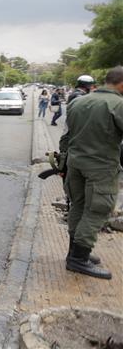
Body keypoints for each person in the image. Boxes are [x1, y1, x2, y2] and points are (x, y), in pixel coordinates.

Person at [59, 66, 123, 280]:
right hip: (101, 167)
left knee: (78, 205)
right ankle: (78, 258)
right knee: (97, 210)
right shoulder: (118, 104)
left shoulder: (78, 101)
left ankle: (75, 252)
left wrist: (63, 163)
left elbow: (66, 136)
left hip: (75, 164)